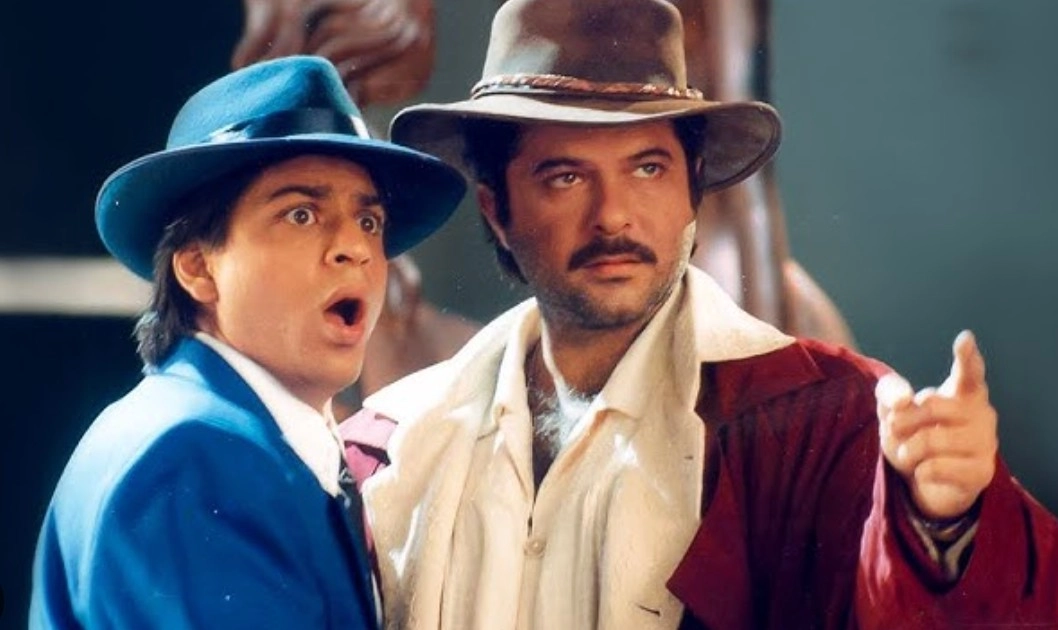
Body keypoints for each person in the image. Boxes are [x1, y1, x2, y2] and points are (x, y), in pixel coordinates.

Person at [341, 0, 1058, 627]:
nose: (613, 215)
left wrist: (948, 521)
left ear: (693, 188)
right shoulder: (395, 443)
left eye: (648, 168)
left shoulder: (826, 416)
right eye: (565, 176)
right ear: (497, 210)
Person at [29, 55, 464, 629]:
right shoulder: (191, 457)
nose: (356, 249)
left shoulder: (239, 438)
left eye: (369, 222)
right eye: (301, 214)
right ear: (197, 267)